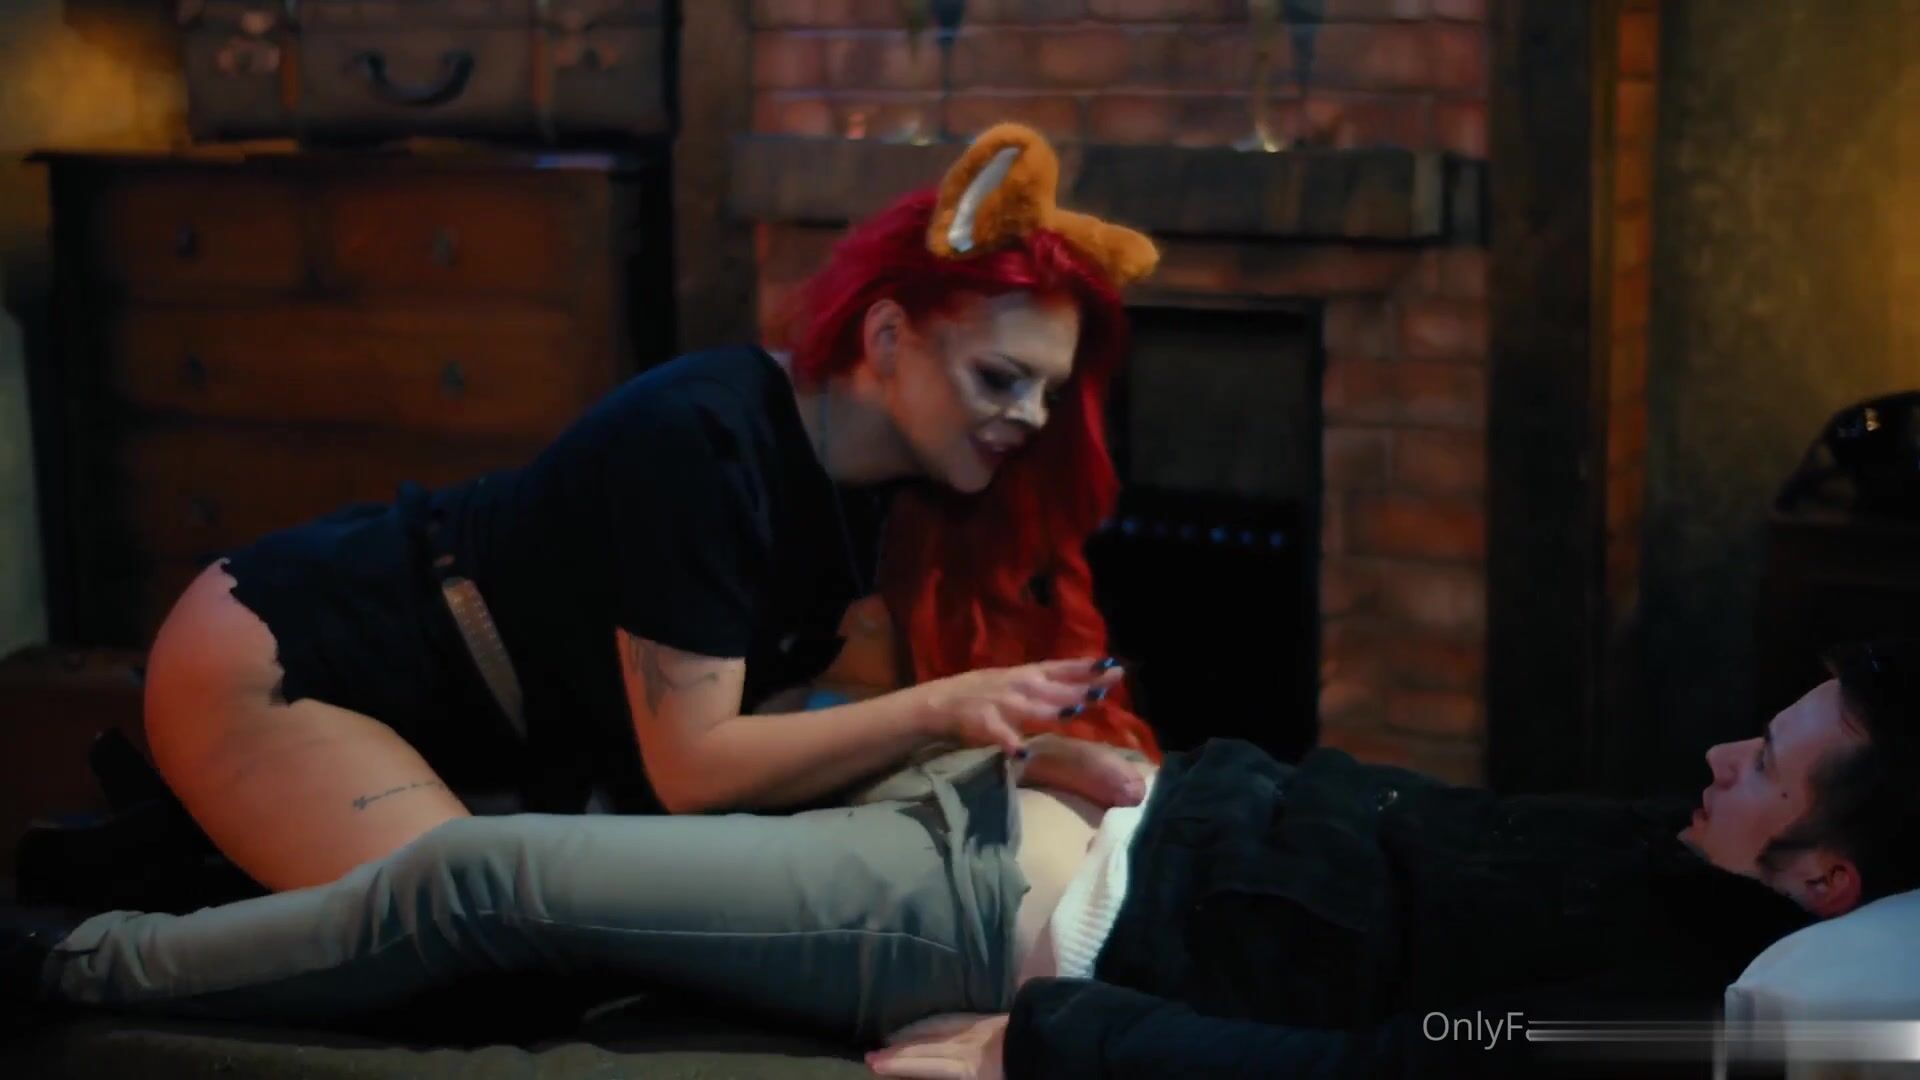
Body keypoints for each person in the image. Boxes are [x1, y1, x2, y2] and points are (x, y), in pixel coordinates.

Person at [7, 639, 1918, 1079]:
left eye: (1770, 765)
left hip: (986, 910)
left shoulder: (1671, 1011)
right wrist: (1159, 776)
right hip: (1078, 814)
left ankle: (60, 968)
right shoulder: (1688, 857)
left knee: (478, 881)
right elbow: (1405, 830)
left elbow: (1362, 1070)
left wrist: (1051, 1040)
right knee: (556, 808)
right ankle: (136, 867)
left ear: (1832, 887)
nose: (1720, 752)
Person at [130, 122, 1165, 894]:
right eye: (999, 378)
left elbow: (772, 731)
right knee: (466, 931)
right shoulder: (706, 438)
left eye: (1047, 390)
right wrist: (945, 707)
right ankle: (87, 962)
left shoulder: (881, 488)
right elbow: (697, 769)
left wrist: (1015, 753)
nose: (1030, 417)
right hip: (284, 655)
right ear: (888, 336)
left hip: (462, 712)